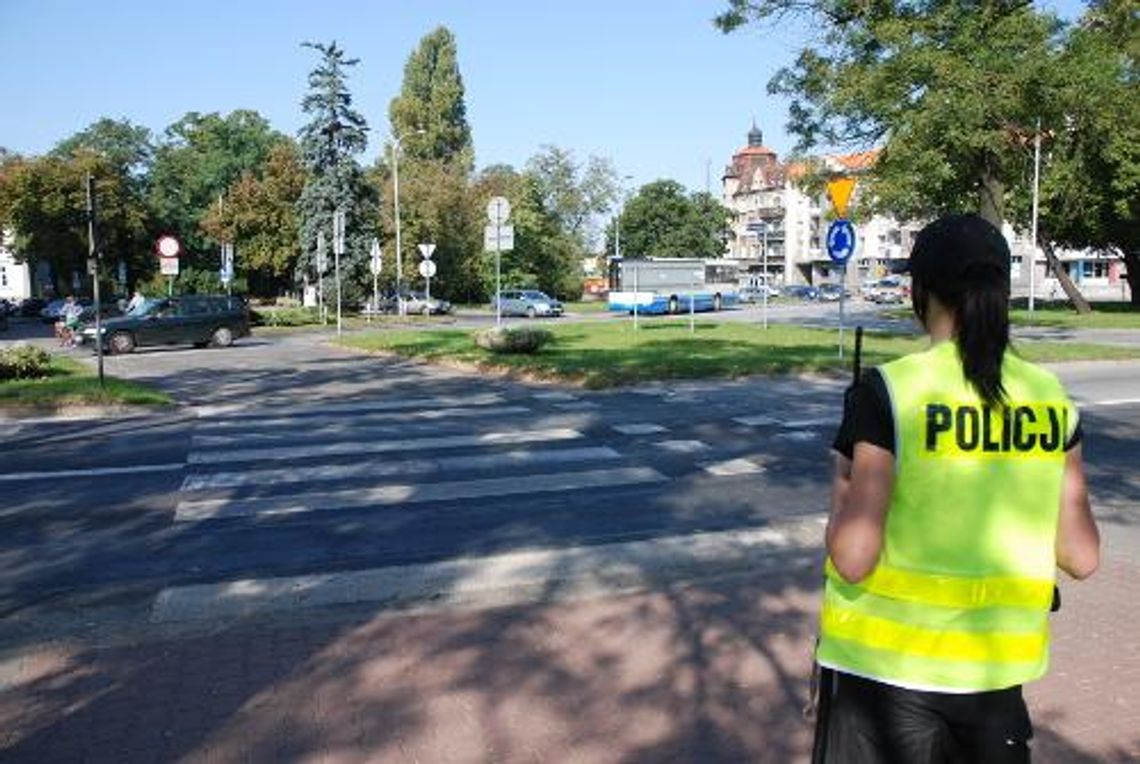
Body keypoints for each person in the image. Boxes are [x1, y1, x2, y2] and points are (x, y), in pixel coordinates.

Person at [816, 214, 1100, 763]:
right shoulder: (1050, 398)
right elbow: (1082, 556)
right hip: (996, 681)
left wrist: (842, 480)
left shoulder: (891, 391)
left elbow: (853, 557)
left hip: (886, 679)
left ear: (920, 292)